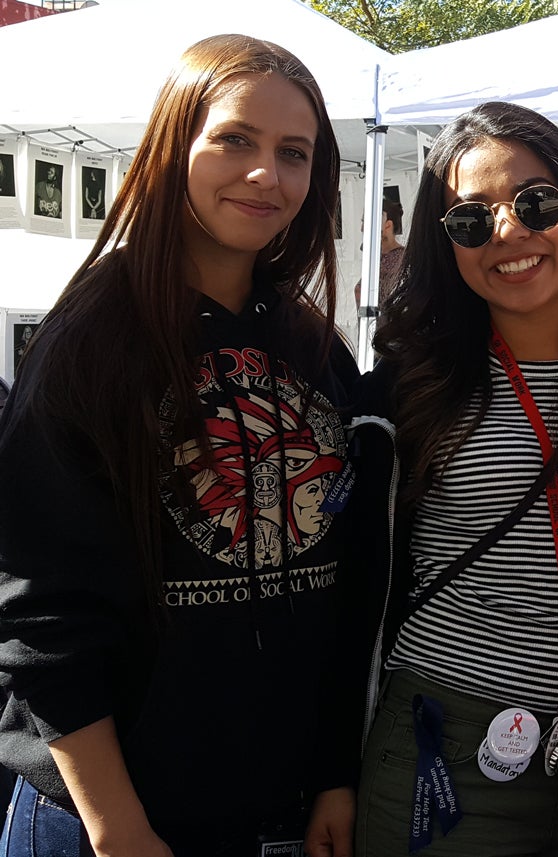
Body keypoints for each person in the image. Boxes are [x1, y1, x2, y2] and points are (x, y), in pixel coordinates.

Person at [0, 33, 359, 857]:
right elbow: (42, 616)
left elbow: (341, 588)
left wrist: (333, 772)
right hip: (105, 824)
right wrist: (116, 825)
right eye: (234, 139)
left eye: (294, 152)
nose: (266, 173)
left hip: (278, 817)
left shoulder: (314, 349)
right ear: (174, 146)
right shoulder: (92, 342)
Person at [353, 100, 558, 857]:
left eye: (534, 202)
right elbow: (357, 585)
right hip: (443, 750)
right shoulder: (412, 386)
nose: (508, 232)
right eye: (471, 220)